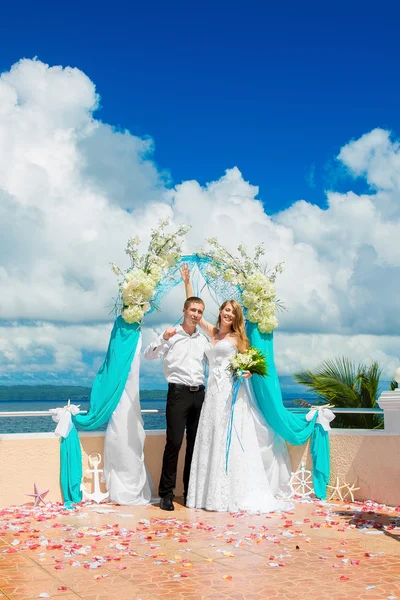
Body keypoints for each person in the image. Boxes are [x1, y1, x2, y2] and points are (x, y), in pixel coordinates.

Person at [181, 264, 291, 513]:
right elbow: (194, 313)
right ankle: (206, 496)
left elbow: (249, 365)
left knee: (226, 440)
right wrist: (187, 283)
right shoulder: (213, 334)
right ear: (220, 312)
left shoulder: (238, 339)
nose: (228, 315)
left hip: (230, 395)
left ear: (236, 317)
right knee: (210, 439)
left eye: (233, 312)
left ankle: (228, 494)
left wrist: (248, 371)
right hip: (212, 395)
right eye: (226, 310)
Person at [143, 296, 208, 511]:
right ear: (184, 310)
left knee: (194, 447)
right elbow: (149, 355)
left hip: (199, 395)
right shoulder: (171, 334)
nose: (196, 314)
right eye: (193, 310)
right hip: (178, 393)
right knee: (174, 443)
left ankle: (191, 492)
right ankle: (166, 494)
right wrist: (163, 337)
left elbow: (216, 362)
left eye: (199, 311)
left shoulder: (203, 340)